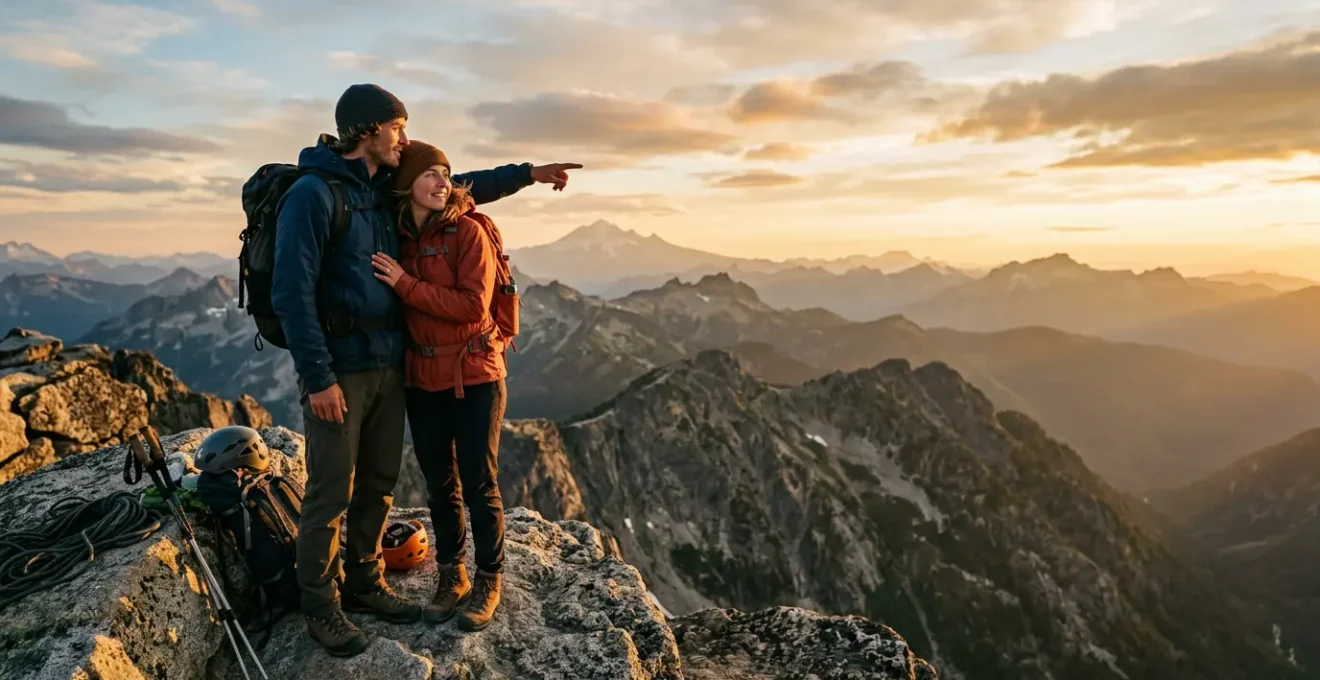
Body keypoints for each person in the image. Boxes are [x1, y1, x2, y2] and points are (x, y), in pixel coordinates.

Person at [271, 83, 580, 657]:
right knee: (331, 489)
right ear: (367, 131)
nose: (404, 139)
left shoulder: (383, 188)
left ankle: (363, 582)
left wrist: (527, 173)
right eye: (398, 127)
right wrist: (318, 378)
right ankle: (321, 605)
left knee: (381, 482)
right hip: (343, 368)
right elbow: (291, 293)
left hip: (395, 365)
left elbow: (457, 183)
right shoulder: (314, 195)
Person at [369, 140, 515, 632]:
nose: (441, 182)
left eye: (446, 174)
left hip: (475, 375)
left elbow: (473, 306)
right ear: (406, 184)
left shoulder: (468, 232)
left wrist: (404, 285)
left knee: (478, 481)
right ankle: (451, 574)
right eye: (429, 174)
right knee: (439, 483)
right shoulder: (399, 235)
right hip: (422, 376)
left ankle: (488, 578)